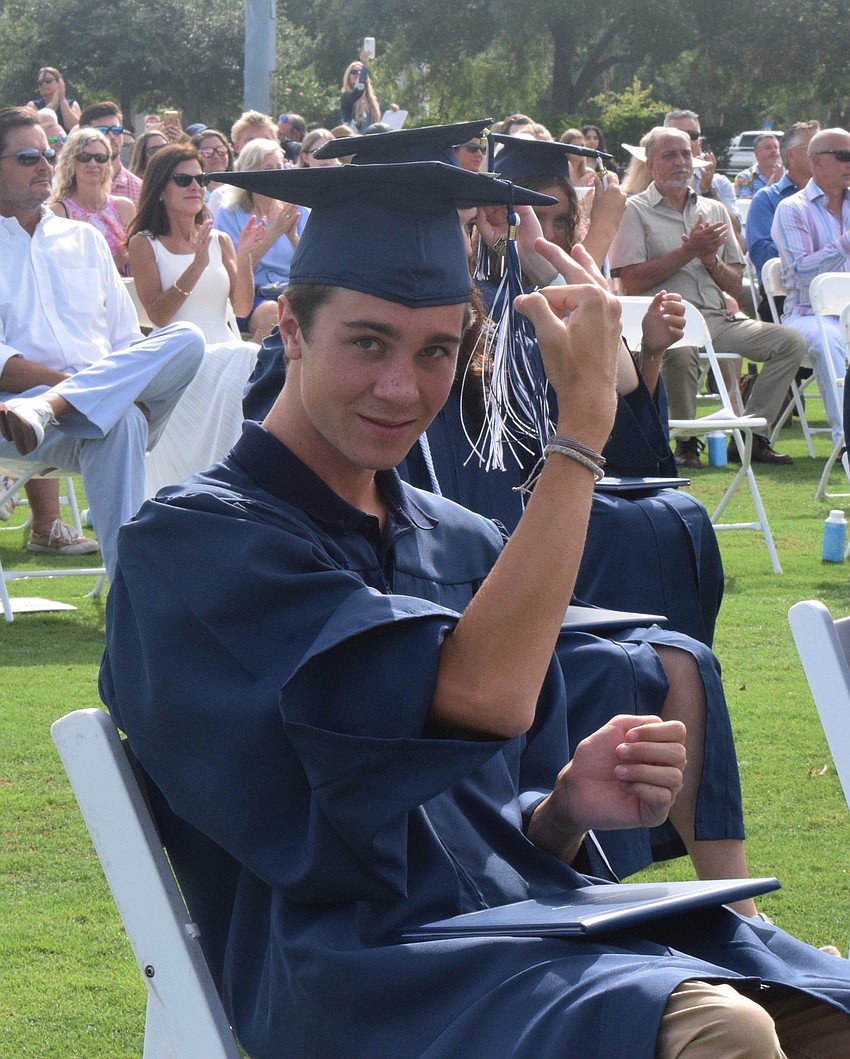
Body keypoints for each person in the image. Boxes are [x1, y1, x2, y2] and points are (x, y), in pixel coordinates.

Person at [101, 153, 850, 1059]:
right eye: (367, 342)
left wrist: (566, 808)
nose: (402, 387)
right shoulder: (197, 545)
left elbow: (498, 815)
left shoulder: (455, 539)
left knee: (824, 1006)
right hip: (354, 967)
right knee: (718, 1032)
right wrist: (578, 438)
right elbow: (483, 698)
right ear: (290, 333)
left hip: (522, 929)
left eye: (437, 351)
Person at [0, 107, 204, 578]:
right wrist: (88, 390)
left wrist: (90, 392)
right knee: (122, 423)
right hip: (16, 414)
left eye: (48, 154)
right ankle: (131, 597)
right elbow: (2, 365)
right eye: (29, 156)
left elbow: (126, 341)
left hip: (69, 411)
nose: (45, 166)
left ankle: (65, 404)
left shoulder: (84, 240)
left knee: (188, 338)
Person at [610, 126, 806, 467]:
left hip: (716, 319)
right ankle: (686, 442)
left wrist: (710, 260)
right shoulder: (634, 210)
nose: (681, 162)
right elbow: (629, 280)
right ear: (651, 165)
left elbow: (735, 285)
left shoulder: (714, 211)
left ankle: (752, 435)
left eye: (686, 154)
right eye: (670, 155)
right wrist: (688, 253)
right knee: (682, 351)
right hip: (665, 320)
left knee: (791, 341)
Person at [126, 144, 263, 496]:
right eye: (183, 179)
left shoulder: (219, 240)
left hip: (226, 352)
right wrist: (197, 265)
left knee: (246, 358)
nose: (195, 187)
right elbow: (158, 313)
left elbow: (243, 307)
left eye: (200, 179)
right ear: (160, 190)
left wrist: (245, 257)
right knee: (248, 359)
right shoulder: (145, 244)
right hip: (178, 359)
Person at [771, 126, 850, 447]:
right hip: (806, 315)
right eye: (844, 156)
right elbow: (803, 272)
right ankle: (844, 443)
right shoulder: (792, 209)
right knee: (830, 340)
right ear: (817, 162)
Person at [213, 138, 309, 342]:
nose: (275, 173)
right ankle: (255, 370)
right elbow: (236, 270)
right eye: (268, 168)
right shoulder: (230, 213)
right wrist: (274, 232)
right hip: (251, 298)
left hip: (295, 293)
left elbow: (313, 264)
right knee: (276, 315)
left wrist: (292, 237)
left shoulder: (297, 207)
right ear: (250, 172)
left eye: (279, 167)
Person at [747, 121, 820, 321]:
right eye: (814, 147)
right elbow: (763, 256)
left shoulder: (839, 197)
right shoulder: (767, 200)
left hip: (836, 291)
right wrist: (819, 253)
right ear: (790, 155)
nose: (823, 154)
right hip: (785, 298)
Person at [48, 127, 135, 275]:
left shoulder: (124, 207)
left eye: (100, 158)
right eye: (84, 157)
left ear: (108, 164)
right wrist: (115, 262)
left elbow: (138, 260)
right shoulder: (57, 212)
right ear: (71, 162)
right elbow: (58, 270)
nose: (93, 164)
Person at [78, 101, 141, 205]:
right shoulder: (70, 186)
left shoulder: (138, 189)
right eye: (103, 130)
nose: (112, 136)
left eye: (117, 130)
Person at [26, 66, 80, 133]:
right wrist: (54, 103)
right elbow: (38, 126)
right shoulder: (32, 105)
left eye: (48, 81)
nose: (43, 84)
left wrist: (62, 100)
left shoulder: (72, 104)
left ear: (59, 82)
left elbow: (75, 127)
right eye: (40, 82)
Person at [339, 51, 381, 133]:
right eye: (354, 72)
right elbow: (358, 92)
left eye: (360, 72)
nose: (358, 74)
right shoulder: (346, 96)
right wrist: (365, 66)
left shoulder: (371, 100)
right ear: (348, 77)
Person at [734, 133, 784, 200]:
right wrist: (773, 180)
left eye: (776, 147)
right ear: (756, 153)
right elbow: (744, 204)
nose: (774, 151)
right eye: (768, 147)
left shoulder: (788, 176)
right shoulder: (744, 177)